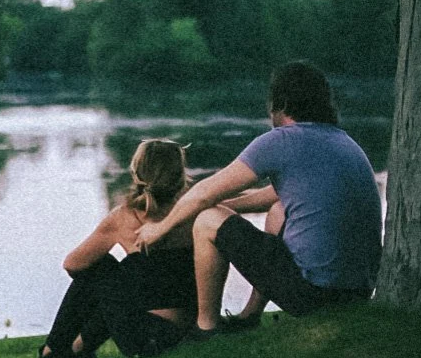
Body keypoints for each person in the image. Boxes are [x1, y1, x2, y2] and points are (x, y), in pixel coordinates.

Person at [135, 62, 382, 336]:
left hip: (313, 295)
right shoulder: (343, 142)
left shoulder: (281, 140)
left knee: (207, 220)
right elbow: (271, 197)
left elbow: (204, 193)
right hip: (356, 293)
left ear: (280, 103)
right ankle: (250, 315)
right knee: (277, 210)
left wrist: (161, 227)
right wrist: (225, 208)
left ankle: (206, 328)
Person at [36, 138, 197, 358]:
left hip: (142, 341)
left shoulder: (125, 217)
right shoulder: (194, 211)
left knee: (101, 267)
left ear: (137, 172)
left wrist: (110, 287)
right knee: (126, 274)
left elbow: (72, 264)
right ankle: (76, 350)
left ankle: (52, 351)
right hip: (183, 333)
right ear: (180, 174)